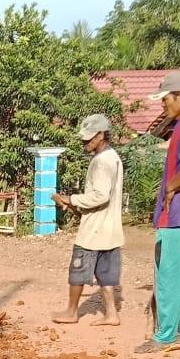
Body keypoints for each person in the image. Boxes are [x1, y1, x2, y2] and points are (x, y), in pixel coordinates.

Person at [135, 71, 180, 353]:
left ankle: (165, 335)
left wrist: (171, 187)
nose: (162, 104)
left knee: (167, 274)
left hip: (178, 214)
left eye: (165, 99)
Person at [51, 114, 125, 326]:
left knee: (78, 270)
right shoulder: (113, 157)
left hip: (93, 230)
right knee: (106, 274)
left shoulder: (101, 162)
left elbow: (100, 196)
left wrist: (71, 199)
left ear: (101, 135)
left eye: (89, 139)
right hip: (109, 228)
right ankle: (111, 313)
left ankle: (71, 311)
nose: (85, 143)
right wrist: (74, 205)